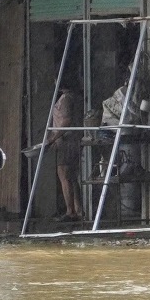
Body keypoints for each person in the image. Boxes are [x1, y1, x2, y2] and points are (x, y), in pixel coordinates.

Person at [46, 83, 83, 221]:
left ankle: (70, 211)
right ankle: (77, 209)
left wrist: (54, 137)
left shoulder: (66, 98)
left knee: (64, 175)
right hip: (70, 139)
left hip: (67, 140)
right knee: (71, 176)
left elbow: (66, 120)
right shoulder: (73, 97)